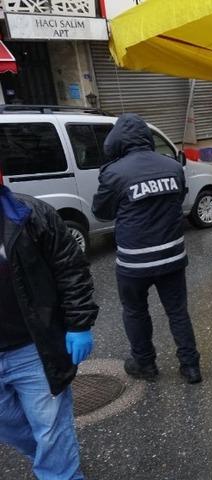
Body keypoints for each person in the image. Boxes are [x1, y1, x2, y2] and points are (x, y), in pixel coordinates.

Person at [0, 164, 98, 479]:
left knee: (50, 428)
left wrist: (79, 324)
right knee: (15, 426)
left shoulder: (32, 215)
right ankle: (53, 458)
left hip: (32, 350)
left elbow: (70, 268)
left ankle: (59, 468)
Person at [92, 113, 202, 385]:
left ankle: (145, 363)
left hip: (134, 262)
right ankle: (191, 367)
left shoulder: (114, 172)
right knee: (177, 312)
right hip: (172, 255)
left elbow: (101, 212)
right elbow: (180, 198)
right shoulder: (172, 165)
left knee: (135, 311)